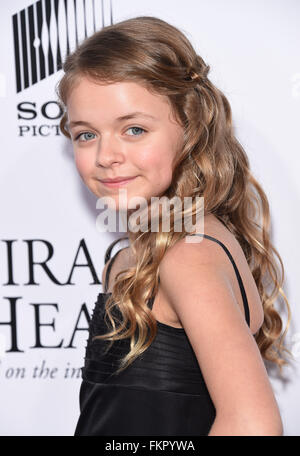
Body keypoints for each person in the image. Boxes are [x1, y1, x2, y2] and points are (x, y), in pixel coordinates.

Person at [56, 16, 292, 436]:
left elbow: (253, 424)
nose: (106, 155)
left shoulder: (186, 254)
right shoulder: (151, 250)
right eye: (85, 135)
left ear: (190, 126)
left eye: (134, 129)